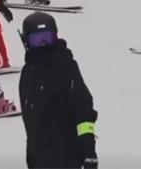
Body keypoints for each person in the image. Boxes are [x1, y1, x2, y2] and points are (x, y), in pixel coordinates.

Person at [19, 12, 99, 169]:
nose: (43, 45)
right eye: (37, 40)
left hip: (68, 155)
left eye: (46, 38)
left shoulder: (66, 66)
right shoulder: (28, 73)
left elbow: (83, 107)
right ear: (26, 41)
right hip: (41, 158)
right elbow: (31, 119)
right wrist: (32, 155)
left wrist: (88, 148)